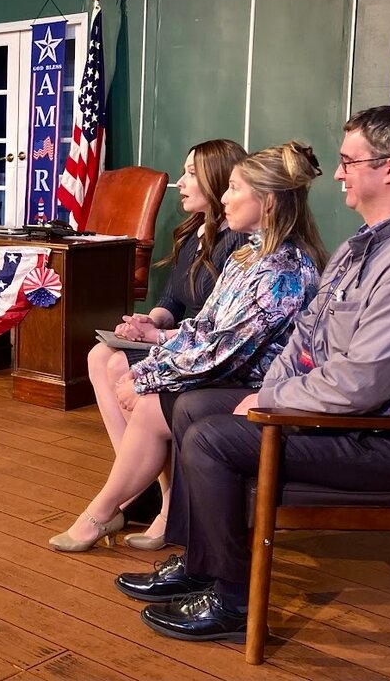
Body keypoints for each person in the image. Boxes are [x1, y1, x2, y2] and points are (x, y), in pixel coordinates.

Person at [116, 105, 390, 644]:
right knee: (191, 405)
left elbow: (362, 383)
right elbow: (307, 337)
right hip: (349, 418)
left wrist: (273, 400)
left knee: (214, 438)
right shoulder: (365, 244)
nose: (336, 174)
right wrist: (269, 390)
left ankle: (232, 601)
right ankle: (201, 563)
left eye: (348, 161)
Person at [49, 141, 328, 553]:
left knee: (146, 401)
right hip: (232, 369)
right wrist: (151, 355)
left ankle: (105, 511)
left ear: (267, 203)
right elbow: (204, 326)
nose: (226, 197)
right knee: (126, 378)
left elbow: (223, 352)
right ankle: (130, 504)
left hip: (258, 384)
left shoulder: (282, 268)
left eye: (234, 188)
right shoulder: (250, 256)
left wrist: (145, 376)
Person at [86, 139, 248, 549]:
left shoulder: (241, 246)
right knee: (99, 354)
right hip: (176, 338)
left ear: (219, 179)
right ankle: (142, 486)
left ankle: (162, 498)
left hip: (204, 353)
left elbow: (217, 328)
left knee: (120, 366)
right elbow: (173, 300)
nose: (180, 183)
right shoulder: (195, 234)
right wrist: (149, 319)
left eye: (191, 173)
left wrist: (155, 337)